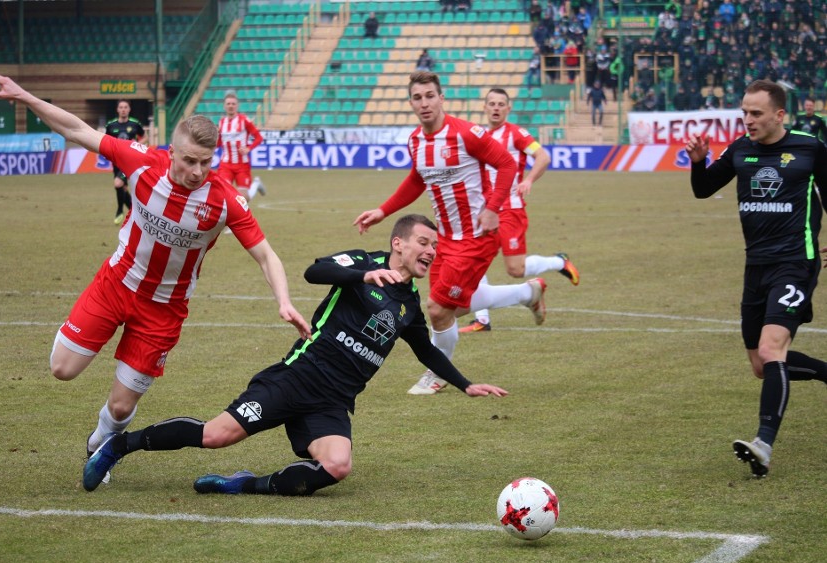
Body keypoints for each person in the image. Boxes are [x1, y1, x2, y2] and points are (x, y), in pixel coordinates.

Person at [0, 71, 312, 484]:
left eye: (206, 163)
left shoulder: (224, 200)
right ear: (171, 151)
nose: (196, 171)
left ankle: (99, 443)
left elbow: (266, 254)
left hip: (163, 311)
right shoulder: (140, 162)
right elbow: (76, 129)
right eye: (189, 160)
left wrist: (283, 300)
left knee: (120, 410)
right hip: (115, 286)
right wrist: (25, 96)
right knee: (62, 368)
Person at [82, 214, 508, 494]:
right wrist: (363, 273)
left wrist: (466, 384)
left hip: (333, 402)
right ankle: (121, 445)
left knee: (338, 466)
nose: (431, 252)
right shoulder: (363, 264)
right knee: (215, 436)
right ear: (398, 243)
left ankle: (245, 485)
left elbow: (425, 352)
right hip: (296, 378)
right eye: (423, 242)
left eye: (435, 246)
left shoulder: (410, 305)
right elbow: (314, 270)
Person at [353, 72, 547, 395]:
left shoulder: (467, 134)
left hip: (476, 237)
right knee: (452, 306)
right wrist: (382, 211)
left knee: (438, 308)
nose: (424, 103)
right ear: (411, 103)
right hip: (444, 239)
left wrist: (492, 208)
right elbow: (417, 179)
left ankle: (438, 374)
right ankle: (529, 293)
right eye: (418, 98)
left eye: (430, 96)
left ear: (442, 99)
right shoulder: (416, 141)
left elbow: (508, 165)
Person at [686, 79, 827, 478]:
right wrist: (698, 160)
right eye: (744, 112)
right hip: (756, 266)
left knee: (771, 348)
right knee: (761, 365)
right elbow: (703, 189)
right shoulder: (740, 149)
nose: (747, 120)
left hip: (797, 262)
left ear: (779, 115)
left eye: (756, 113)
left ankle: (763, 444)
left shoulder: (810, 148)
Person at [461, 88, 579, 333]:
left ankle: (559, 262)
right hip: (485, 211)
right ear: (485, 107)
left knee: (516, 270)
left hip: (510, 211)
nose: (495, 108)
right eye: (491, 103)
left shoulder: (517, 133)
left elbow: (543, 157)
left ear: (508, 108)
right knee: (473, 261)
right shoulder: (479, 135)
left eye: (500, 104)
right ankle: (481, 319)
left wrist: (528, 180)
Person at [217, 91, 266, 202]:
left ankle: (256, 184)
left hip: (242, 165)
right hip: (226, 165)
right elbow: (219, 143)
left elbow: (259, 138)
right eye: (228, 104)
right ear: (224, 106)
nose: (231, 106)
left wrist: (248, 148)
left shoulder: (244, 121)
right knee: (222, 193)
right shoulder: (221, 123)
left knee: (243, 199)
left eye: (233, 104)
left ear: (237, 106)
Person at [105, 99, 146, 225]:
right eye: (121, 107)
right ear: (117, 109)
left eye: (125, 107)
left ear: (129, 109)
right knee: (122, 187)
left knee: (118, 184)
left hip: (129, 160)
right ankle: (135, 213)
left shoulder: (134, 124)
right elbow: (106, 140)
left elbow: (144, 136)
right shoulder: (111, 125)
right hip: (116, 160)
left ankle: (119, 211)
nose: (123, 109)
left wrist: (137, 145)